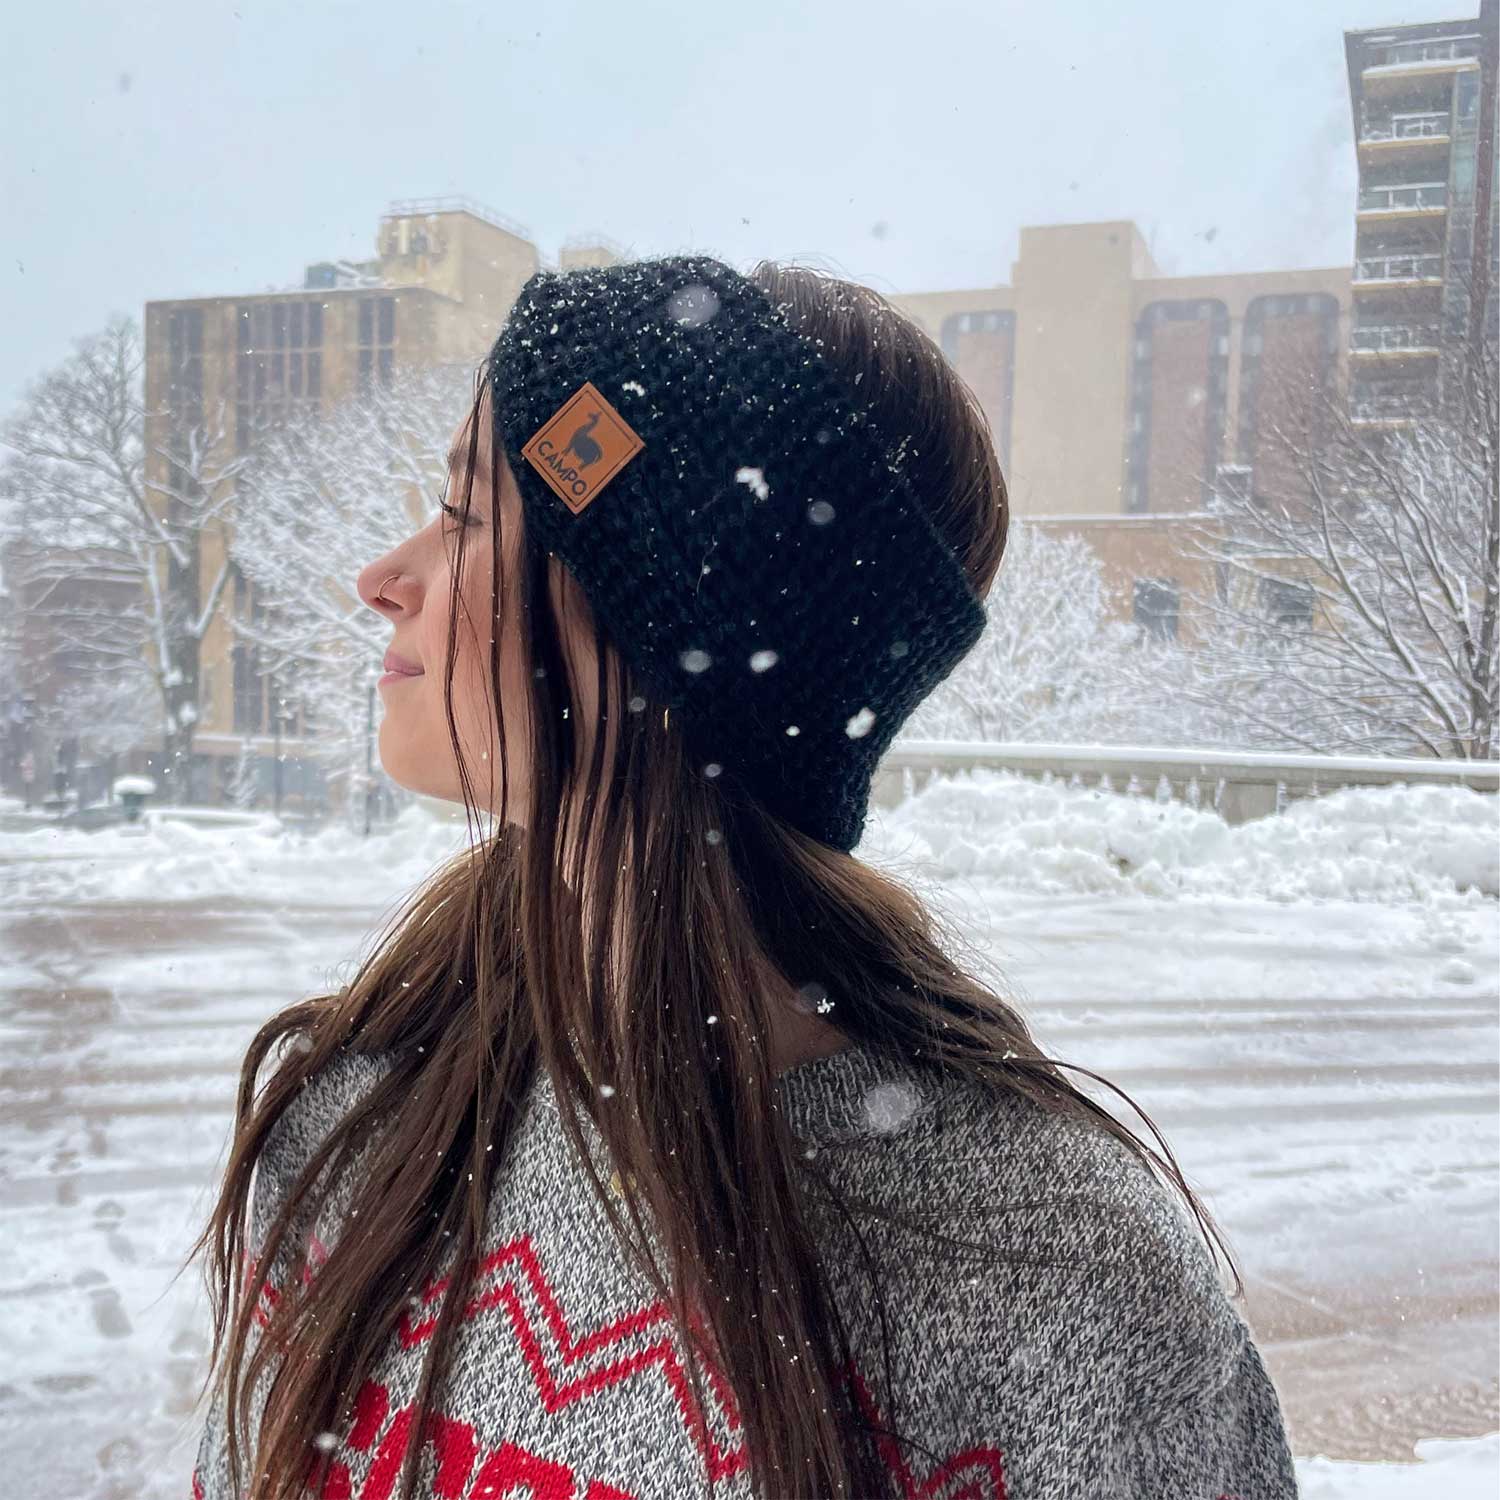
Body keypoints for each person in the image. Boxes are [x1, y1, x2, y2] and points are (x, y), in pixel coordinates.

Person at [189, 255, 1299, 1500]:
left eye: (465, 518)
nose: (383, 578)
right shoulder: (360, 1116)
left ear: (654, 625)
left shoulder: (1062, 1280)